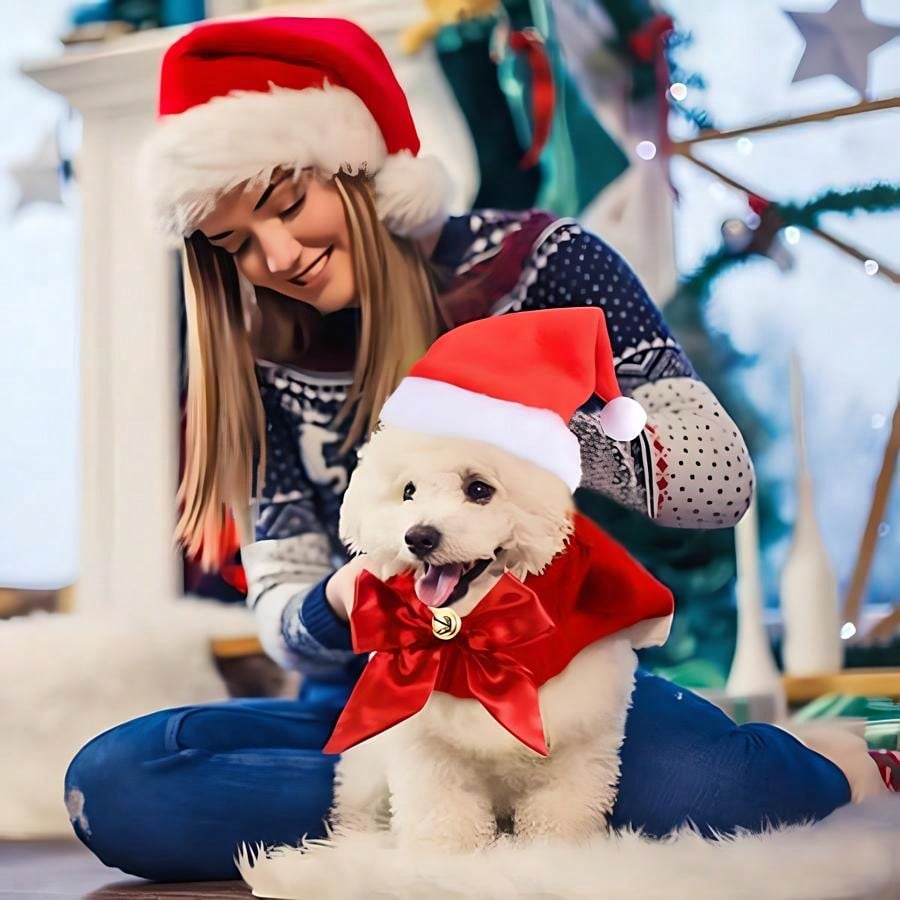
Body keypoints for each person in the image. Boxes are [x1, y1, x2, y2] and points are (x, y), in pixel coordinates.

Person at [64, 16, 858, 883]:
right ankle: (443, 804)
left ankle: (478, 806)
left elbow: (720, 485)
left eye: (289, 206)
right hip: (380, 697)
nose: (278, 255)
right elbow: (281, 608)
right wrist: (342, 597)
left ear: (363, 167)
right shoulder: (257, 357)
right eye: (235, 245)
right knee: (116, 783)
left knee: (731, 795)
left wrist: (539, 424)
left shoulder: (548, 265)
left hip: (561, 678)